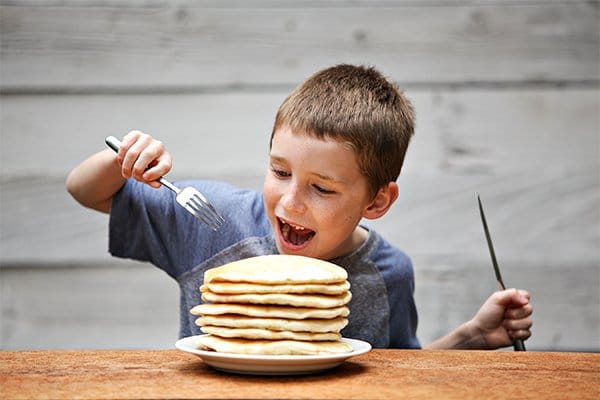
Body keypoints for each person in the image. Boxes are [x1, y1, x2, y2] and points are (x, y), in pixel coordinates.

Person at [66, 64, 532, 349]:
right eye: (280, 172)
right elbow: (85, 191)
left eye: (322, 189)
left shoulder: (389, 274)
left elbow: (395, 374)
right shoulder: (213, 221)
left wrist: (471, 337)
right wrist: (122, 157)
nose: (290, 202)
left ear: (377, 200)